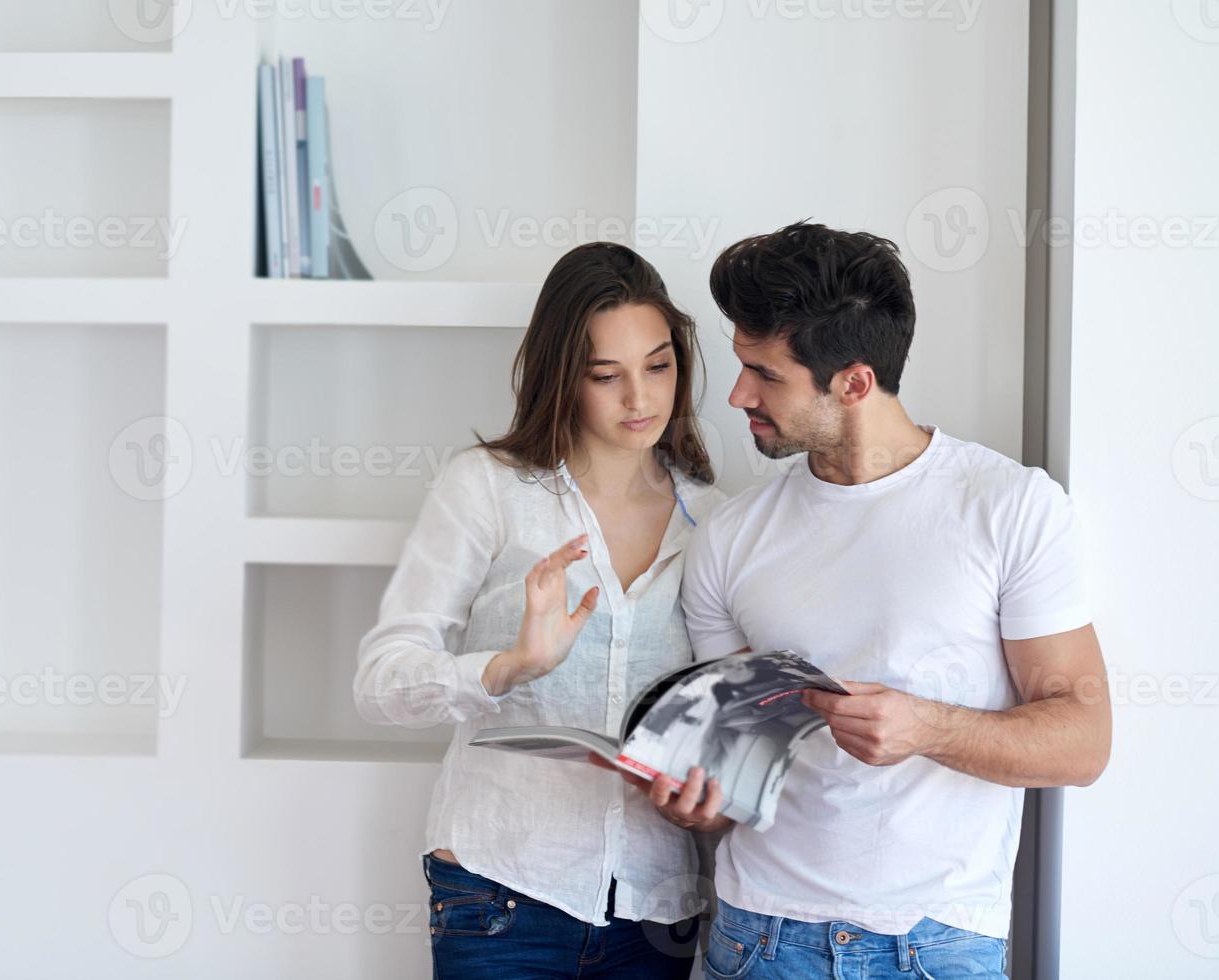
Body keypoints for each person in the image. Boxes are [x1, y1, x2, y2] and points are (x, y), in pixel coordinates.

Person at [622, 222, 1111, 978]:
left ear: (852, 382)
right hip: (760, 940)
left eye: (764, 374)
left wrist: (924, 727)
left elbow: (1081, 742)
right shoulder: (732, 535)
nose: (737, 394)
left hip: (935, 945)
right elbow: (727, 769)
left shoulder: (1009, 507)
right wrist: (693, 802)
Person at [354, 241, 727, 978]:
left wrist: (710, 788)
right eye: (605, 375)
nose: (640, 399)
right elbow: (379, 683)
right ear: (564, 376)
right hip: (503, 891)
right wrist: (509, 666)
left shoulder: (716, 522)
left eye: (658, 365)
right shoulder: (486, 489)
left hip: (654, 906)